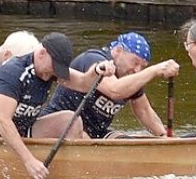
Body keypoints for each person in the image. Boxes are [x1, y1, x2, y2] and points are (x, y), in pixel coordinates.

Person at [0, 32, 75, 179]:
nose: (53, 73)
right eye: (54, 67)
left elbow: (84, 82)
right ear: (42, 54)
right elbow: (2, 122)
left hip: (24, 132)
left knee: (71, 120)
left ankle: (71, 173)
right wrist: (29, 160)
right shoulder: (13, 72)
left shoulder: (47, 70)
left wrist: (97, 71)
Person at [44, 32, 178, 139]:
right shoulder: (94, 59)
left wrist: (163, 136)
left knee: (125, 143)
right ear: (118, 51)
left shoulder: (130, 78)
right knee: (85, 138)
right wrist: (154, 70)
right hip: (61, 128)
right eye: (135, 62)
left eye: (143, 67)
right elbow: (115, 90)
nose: (137, 70)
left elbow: (144, 111)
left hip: (97, 134)